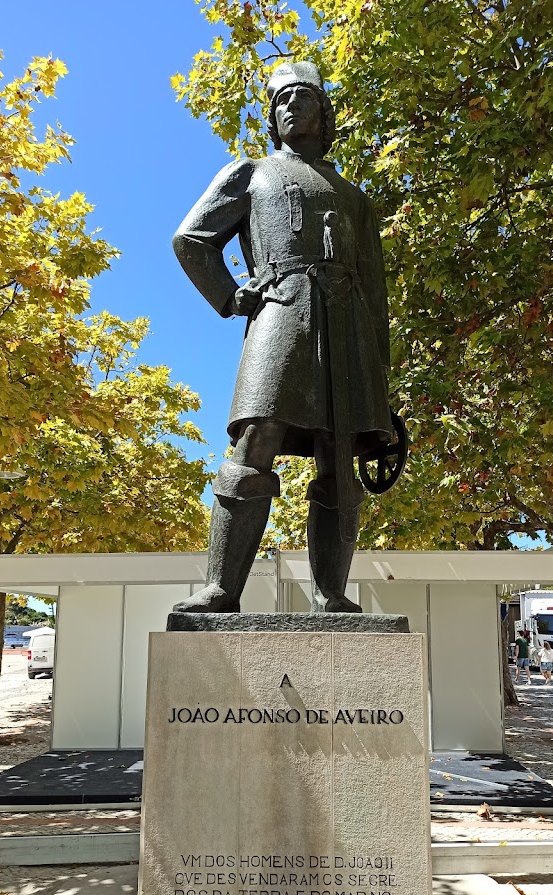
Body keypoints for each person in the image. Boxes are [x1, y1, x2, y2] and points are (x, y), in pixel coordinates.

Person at [171, 61, 392, 613]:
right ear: (272, 117)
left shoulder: (353, 196)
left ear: (324, 111)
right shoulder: (252, 173)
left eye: (303, 97)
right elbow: (192, 239)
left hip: (347, 329)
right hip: (281, 310)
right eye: (281, 100)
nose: (290, 106)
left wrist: (380, 386)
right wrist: (229, 294)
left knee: (339, 458)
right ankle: (223, 588)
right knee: (256, 436)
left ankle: (331, 594)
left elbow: (376, 292)